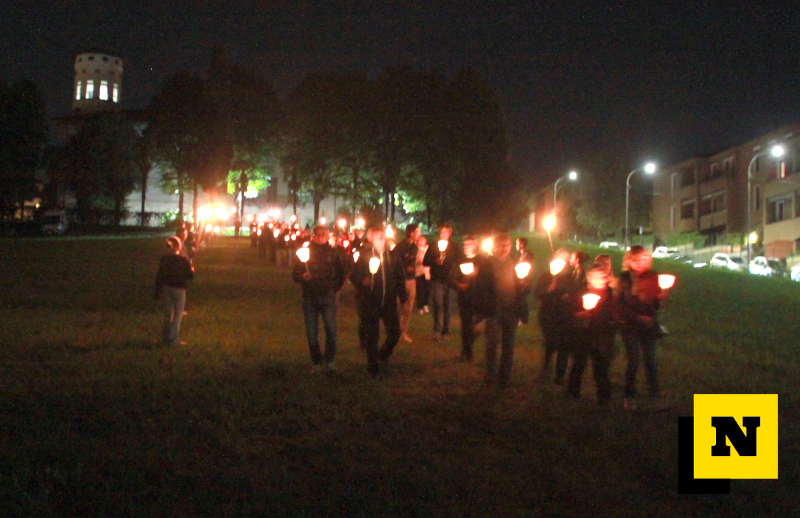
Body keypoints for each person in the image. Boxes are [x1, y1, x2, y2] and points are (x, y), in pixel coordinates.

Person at [350, 227, 408, 379]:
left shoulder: (392, 256)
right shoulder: (364, 256)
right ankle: (373, 367)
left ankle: (382, 355)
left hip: (388, 301)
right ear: (371, 239)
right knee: (372, 335)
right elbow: (353, 276)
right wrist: (363, 281)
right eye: (377, 237)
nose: (381, 239)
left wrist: (403, 297)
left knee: (395, 332)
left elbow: (400, 277)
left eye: (383, 237)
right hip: (370, 301)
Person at [618, 246, 668, 410]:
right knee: (633, 360)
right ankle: (629, 396)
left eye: (644, 259)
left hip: (648, 326)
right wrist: (637, 317)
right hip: (630, 326)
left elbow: (654, 304)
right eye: (637, 260)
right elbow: (619, 305)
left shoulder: (652, 276)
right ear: (630, 261)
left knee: (650, 361)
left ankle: (655, 396)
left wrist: (660, 298)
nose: (641, 263)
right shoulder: (625, 279)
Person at [292, 226, 348, 371]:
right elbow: (295, 272)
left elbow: (341, 272)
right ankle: (316, 361)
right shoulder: (305, 252)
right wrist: (302, 276)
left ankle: (329, 360)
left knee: (330, 329)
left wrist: (334, 288)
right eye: (318, 234)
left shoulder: (333, 253)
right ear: (313, 236)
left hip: (328, 295)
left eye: (323, 234)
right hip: (310, 296)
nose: (321, 237)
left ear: (327, 236)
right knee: (311, 331)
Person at [479, 233, 531, 386]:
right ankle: (490, 375)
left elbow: (522, 288)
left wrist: (524, 285)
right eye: (501, 245)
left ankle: (505, 377)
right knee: (492, 344)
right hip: (494, 309)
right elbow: (481, 287)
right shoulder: (487, 264)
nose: (505, 248)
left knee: (509, 345)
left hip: (511, 309)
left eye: (507, 245)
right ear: (495, 247)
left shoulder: (515, 262)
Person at [567, 265, 617, 404]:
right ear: (589, 279)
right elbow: (570, 312)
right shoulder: (580, 291)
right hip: (582, 333)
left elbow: (613, 312)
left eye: (604, 277)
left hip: (601, 334)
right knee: (579, 363)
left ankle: (603, 396)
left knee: (601, 365)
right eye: (598, 277)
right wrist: (582, 314)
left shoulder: (610, 293)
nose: (603, 280)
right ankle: (573, 392)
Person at [534, 248, 578, 385]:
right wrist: (549, 289)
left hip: (564, 317)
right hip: (547, 315)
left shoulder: (570, 278)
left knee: (563, 346)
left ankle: (560, 376)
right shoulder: (546, 276)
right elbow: (538, 294)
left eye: (565, 260)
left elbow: (574, 295)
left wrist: (567, 297)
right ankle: (545, 369)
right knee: (550, 344)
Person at [450, 236, 492, 362]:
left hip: (479, 297)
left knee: (478, 326)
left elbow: (486, 277)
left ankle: (469, 343)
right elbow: (452, 276)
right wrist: (458, 285)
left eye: (470, 244)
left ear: (475, 245)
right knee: (466, 325)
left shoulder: (481, 260)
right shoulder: (460, 260)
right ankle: (466, 352)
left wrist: (475, 279)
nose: (467, 247)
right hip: (465, 298)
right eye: (465, 244)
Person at [423, 223, 461, 341]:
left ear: (449, 233)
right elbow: (425, 261)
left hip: (451, 280)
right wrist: (435, 261)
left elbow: (459, 260)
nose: (442, 234)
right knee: (437, 304)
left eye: (445, 232)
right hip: (437, 279)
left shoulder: (454, 247)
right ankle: (437, 330)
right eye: (441, 231)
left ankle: (446, 330)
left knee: (448, 306)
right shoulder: (434, 245)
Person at [154, 236, 194, 346]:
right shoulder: (183, 260)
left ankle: (165, 337)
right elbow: (190, 276)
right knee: (177, 315)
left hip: (167, 288)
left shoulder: (164, 259)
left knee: (168, 314)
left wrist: (157, 291)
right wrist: (191, 270)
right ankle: (172, 339)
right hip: (179, 289)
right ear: (179, 247)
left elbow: (160, 275)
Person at [393, 223, 421, 343]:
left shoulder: (415, 247)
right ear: (411, 233)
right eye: (417, 231)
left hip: (411, 279)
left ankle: (403, 331)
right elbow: (394, 261)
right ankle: (395, 330)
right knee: (400, 305)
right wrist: (405, 268)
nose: (419, 234)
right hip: (402, 279)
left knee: (409, 307)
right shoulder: (400, 246)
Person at [516, 237, 534, 324]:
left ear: (521, 244)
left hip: (525, 281)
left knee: (522, 300)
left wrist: (523, 279)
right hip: (522, 281)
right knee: (521, 299)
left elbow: (525, 268)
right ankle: (522, 318)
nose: (516, 246)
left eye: (517, 243)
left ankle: (523, 319)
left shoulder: (527, 255)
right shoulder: (523, 255)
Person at [415, 235, 431, 314]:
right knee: (420, 290)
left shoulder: (428, 249)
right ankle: (420, 307)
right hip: (418, 272)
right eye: (420, 240)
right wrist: (417, 262)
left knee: (427, 289)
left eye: (423, 240)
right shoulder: (415, 249)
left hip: (427, 272)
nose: (421, 241)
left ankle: (425, 304)